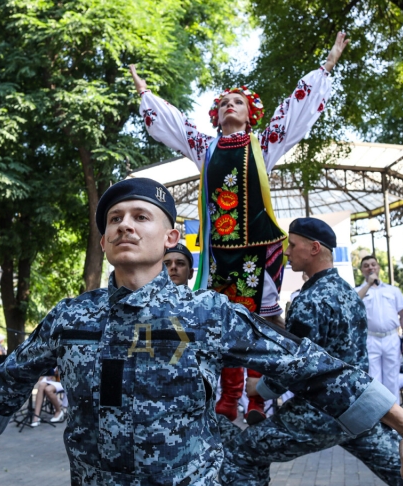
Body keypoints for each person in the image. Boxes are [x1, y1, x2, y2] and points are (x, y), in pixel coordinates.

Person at [0, 178, 403, 486]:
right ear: (102, 241)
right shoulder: (71, 316)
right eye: (114, 219)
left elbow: (307, 364)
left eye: (140, 216)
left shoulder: (207, 313)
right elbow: (15, 373)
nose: (125, 226)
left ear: (172, 237)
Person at [130, 32, 349, 424]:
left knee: (260, 320)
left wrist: (327, 66)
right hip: (220, 251)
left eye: (239, 102)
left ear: (251, 114)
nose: (230, 105)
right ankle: (228, 397)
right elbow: (176, 123)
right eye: (224, 103)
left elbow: (294, 112)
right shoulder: (205, 148)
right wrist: (146, 94)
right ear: (215, 116)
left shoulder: (264, 144)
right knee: (224, 320)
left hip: (259, 248)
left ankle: (257, 400)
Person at [221, 218, 403, 486]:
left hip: (320, 411)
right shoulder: (348, 293)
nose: (287, 252)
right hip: (358, 407)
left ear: (314, 248)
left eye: (293, 244)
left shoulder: (310, 299)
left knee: (244, 451)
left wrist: (259, 389)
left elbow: (294, 366)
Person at [357, 255, 403, 399]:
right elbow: (353, 305)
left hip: (391, 338)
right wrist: (368, 285)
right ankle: (377, 418)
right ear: (362, 270)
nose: (370, 267)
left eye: (373, 264)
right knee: (373, 380)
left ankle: (393, 419)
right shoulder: (358, 290)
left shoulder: (393, 290)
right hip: (370, 338)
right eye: (366, 265)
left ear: (379, 268)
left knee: (392, 379)